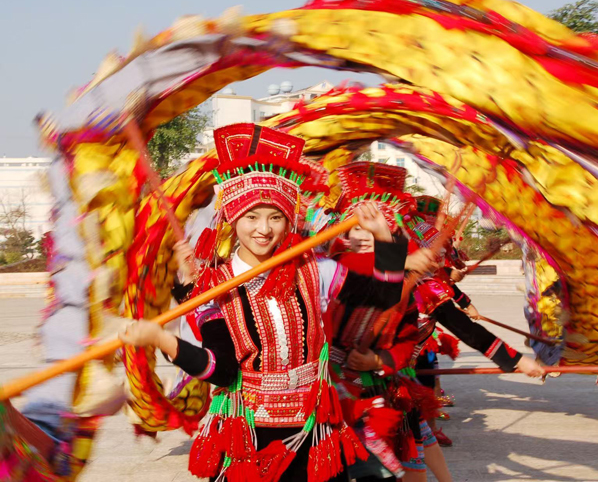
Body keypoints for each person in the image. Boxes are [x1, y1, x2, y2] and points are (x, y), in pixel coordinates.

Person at [119, 124, 408, 482]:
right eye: (251, 217)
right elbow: (221, 370)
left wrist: (383, 235)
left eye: (275, 217)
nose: (263, 229)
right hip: (248, 434)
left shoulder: (315, 269)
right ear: (233, 218)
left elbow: (386, 294)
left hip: (314, 429)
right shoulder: (216, 287)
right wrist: (160, 338)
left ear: (288, 220)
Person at [323, 162, 449, 482]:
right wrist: (404, 261)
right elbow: (366, 278)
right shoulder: (331, 271)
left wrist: (378, 359)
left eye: (375, 231)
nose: (364, 238)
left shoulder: (405, 283)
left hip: (383, 386)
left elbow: (408, 336)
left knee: (408, 457)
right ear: (343, 233)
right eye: (355, 229)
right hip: (331, 391)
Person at [406, 196, 546, 447]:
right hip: (358, 383)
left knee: (423, 390)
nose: (436, 260)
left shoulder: (425, 286)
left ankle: (428, 430)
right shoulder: (359, 274)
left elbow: (463, 325)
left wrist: (514, 359)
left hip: (401, 366)